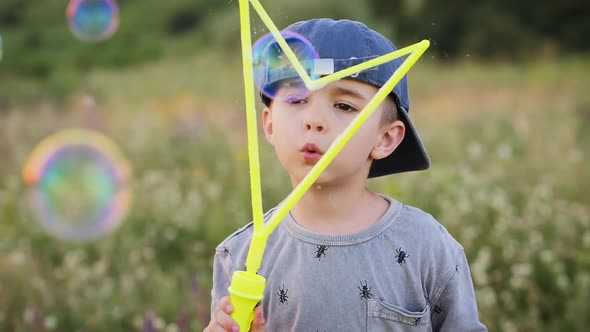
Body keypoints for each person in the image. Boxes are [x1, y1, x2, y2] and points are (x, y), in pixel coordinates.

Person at [206, 18, 487, 331]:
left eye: (343, 105)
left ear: (385, 139)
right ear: (269, 124)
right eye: (297, 99)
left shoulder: (426, 246)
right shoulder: (240, 255)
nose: (314, 120)